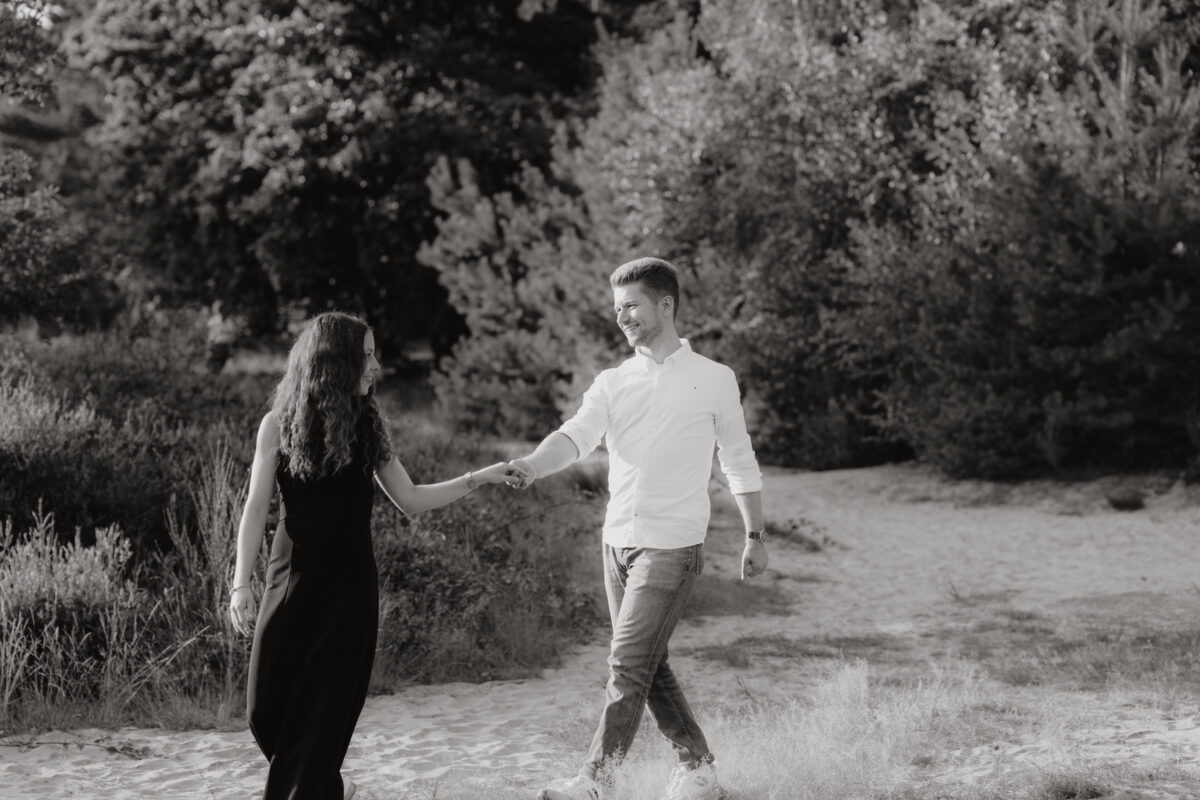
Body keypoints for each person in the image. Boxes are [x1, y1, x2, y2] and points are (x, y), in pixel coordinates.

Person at [506, 258, 770, 800]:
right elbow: (576, 435)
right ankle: (699, 768)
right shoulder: (613, 381)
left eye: (631, 305)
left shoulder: (714, 379)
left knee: (627, 662)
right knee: (651, 662)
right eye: (616, 308)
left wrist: (755, 535)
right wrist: (534, 463)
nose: (621, 316)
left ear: (665, 305)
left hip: (672, 547)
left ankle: (596, 782)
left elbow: (737, 460)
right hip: (616, 545)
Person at [228, 311, 517, 800]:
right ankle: (326, 785)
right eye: (365, 355)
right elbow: (256, 508)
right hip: (288, 578)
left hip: (348, 589)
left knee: (323, 717)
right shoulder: (278, 424)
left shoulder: (366, 427)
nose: (376, 365)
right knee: (264, 710)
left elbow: (410, 498)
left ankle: (314, 788)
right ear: (334, 362)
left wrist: (476, 478)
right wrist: (241, 583)